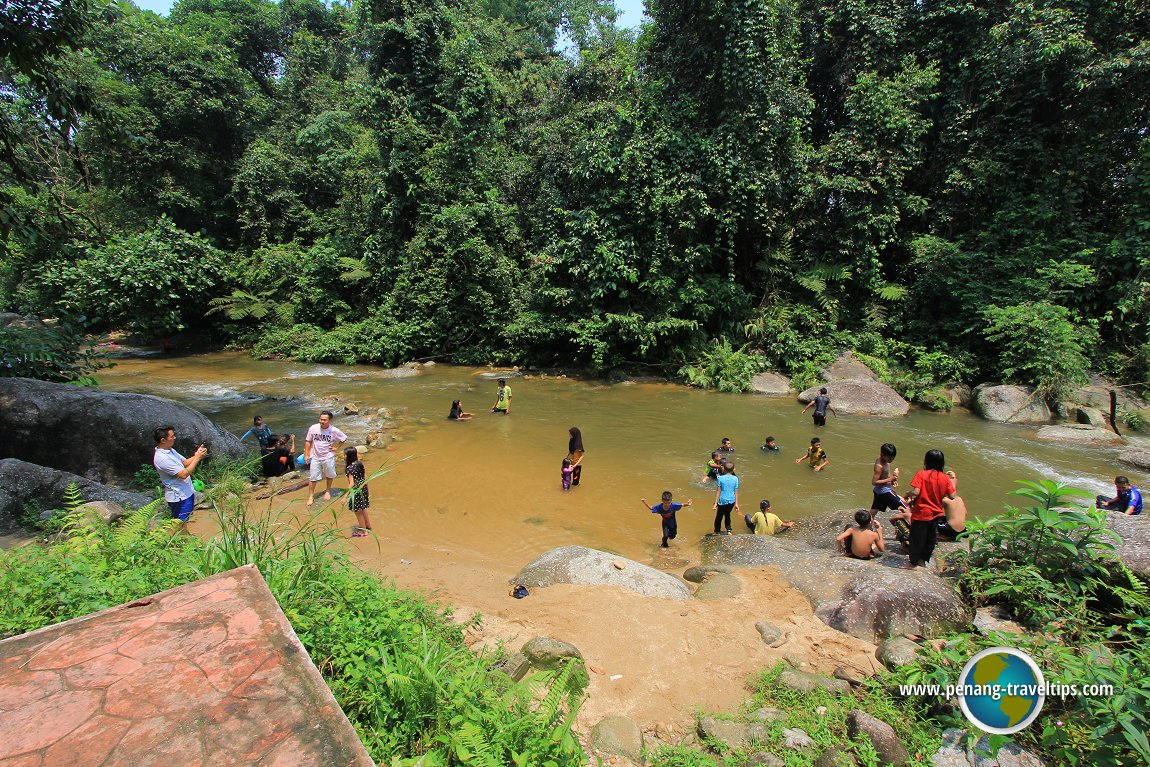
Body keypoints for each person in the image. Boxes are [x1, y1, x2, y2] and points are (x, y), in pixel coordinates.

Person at [903, 449, 956, 569]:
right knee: (930, 538)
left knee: (917, 538)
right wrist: (952, 481)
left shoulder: (921, 474)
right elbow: (952, 496)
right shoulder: (944, 478)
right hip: (936, 514)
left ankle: (912, 563)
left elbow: (916, 492)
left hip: (921, 512)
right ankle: (923, 560)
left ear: (927, 461)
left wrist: (907, 494)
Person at [153, 426, 207, 528]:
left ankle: (182, 540)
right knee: (180, 523)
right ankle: (179, 541)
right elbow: (183, 474)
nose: (175, 438)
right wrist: (197, 458)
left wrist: (197, 455)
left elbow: (185, 462)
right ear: (163, 440)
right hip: (178, 497)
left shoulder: (170, 450)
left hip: (186, 492)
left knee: (185, 520)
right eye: (172, 436)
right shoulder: (161, 458)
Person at [304, 410, 347, 506]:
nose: (322, 421)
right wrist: (306, 454)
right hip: (315, 456)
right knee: (313, 477)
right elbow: (308, 441)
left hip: (328, 456)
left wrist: (336, 447)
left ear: (329, 420)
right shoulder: (313, 428)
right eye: (320, 419)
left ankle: (328, 490)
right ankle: (311, 496)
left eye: (324, 420)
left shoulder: (333, 430)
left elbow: (343, 438)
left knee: (330, 475)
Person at [870, 443, 906, 519]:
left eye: (893, 459)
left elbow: (886, 474)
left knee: (874, 510)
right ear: (882, 454)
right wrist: (890, 479)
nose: (891, 460)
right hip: (884, 491)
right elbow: (874, 482)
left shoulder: (885, 461)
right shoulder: (879, 466)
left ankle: (867, 524)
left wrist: (892, 481)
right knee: (904, 509)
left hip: (879, 491)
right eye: (889, 459)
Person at [344, 447, 373, 537]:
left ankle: (364, 532)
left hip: (356, 491)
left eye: (345, 455)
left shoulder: (349, 468)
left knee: (358, 511)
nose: (344, 456)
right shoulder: (360, 464)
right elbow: (364, 478)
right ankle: (368, 525)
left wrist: (344, 496)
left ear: (348, 456)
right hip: (363, 489)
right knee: (363, 508)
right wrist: (367, 491)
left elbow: (352, 483)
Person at [937, 471, 969, 539]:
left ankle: (944, 535)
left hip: (950, 530)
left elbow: (935, 511)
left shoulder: (945, 500)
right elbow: (966, 513)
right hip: (962, 530)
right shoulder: (959, 499)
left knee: (934, 519)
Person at [712, 462, 740, 534]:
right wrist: (736, 504)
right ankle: (729, 530)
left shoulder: (720, 478)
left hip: (722, 500)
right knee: (727, 514)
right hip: (731, 501)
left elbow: (718, 491)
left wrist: (715, 503)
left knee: (719, 516)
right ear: (733, 469)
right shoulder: (735, 478)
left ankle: (717, 531)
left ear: (723, 469)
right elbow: (736, 491)